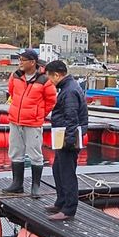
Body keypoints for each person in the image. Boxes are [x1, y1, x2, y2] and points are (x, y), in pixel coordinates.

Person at [2, 49, 56, 197]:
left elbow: (51, 101)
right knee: (15, 152)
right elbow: (12, 93)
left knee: (35, 153)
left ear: (32, 62)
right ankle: (17, 184)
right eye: (19, 59)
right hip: (15, 120)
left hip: (33, 123)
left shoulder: (45, 80)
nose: (20, 62)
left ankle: (35, 186)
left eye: (23, 60)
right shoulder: (15, 76)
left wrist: (39, 114)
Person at [44, 60, 88, 220]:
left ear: (57, 75)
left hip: (68, 136)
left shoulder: (69, 91)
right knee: (58, 169)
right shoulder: (68, 87)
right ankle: (61, 201)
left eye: (50, 77)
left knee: (67, 173)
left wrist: (69, 140)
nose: (49, 81)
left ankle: (69, 209)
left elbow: (72, 116)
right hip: (63, 134)